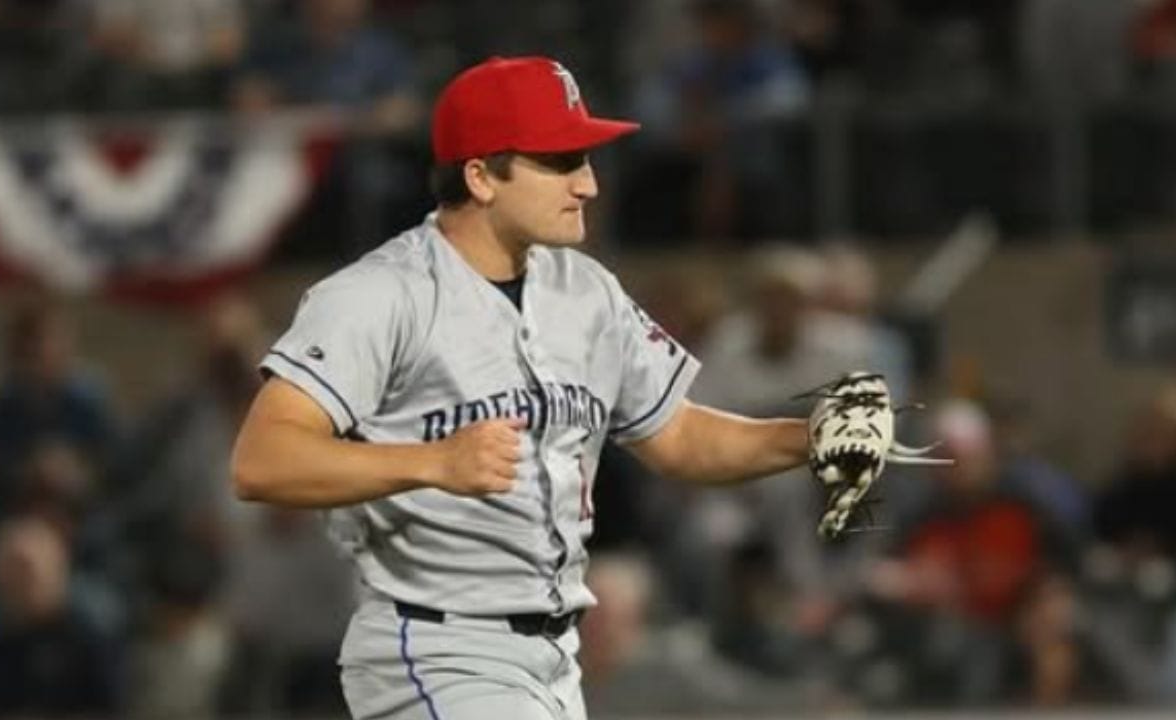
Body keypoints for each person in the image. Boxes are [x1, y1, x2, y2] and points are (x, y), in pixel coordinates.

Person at [231, 55, 814, 720]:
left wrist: (812, 437)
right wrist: (432, 462)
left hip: (557, 659)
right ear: (481, 176)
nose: (588, 184)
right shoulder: (378, 295)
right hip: (436, 648)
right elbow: (262, 461)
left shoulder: (586, 289)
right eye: (561, 161)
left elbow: (678, 436)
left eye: (586, 159)